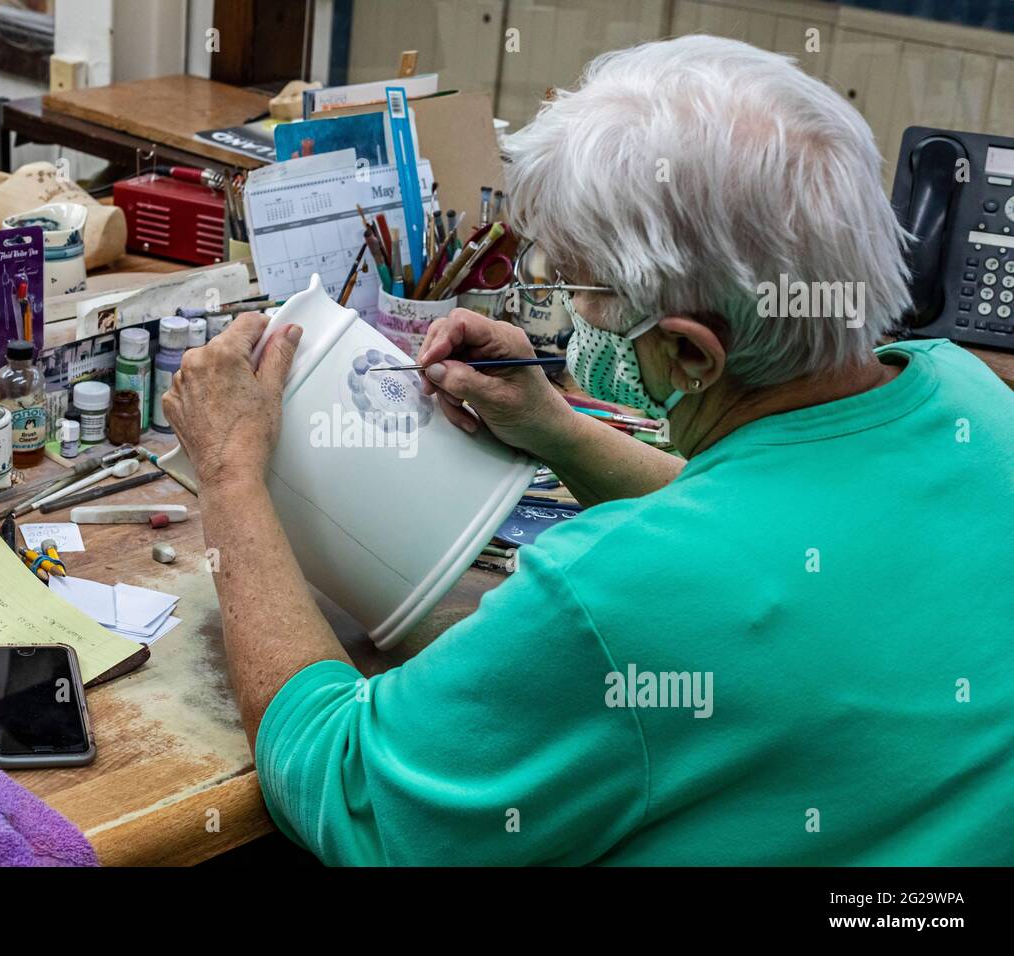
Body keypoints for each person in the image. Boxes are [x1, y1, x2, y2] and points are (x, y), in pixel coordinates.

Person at [163, 35, 1014, 865]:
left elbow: (348, 790)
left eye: (584, 298)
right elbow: (765, 518)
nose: (573, 318)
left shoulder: (609, 598)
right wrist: (556, 427)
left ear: (689, 354)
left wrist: (233, 471)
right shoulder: (970, 399)